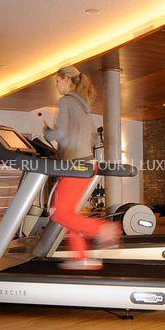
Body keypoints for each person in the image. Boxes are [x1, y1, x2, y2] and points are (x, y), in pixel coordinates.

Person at [42, 66, 120, 270]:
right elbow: (93, 136)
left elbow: (60, 134)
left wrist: (47, 132)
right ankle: (81, 257)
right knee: (69, 213)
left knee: (59, 214)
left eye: (57, 81)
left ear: (67, 80)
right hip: (86, 164)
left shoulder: (66, 101)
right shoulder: (84, 104)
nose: (56, 85)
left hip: (75, 165)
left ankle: (104, 229)